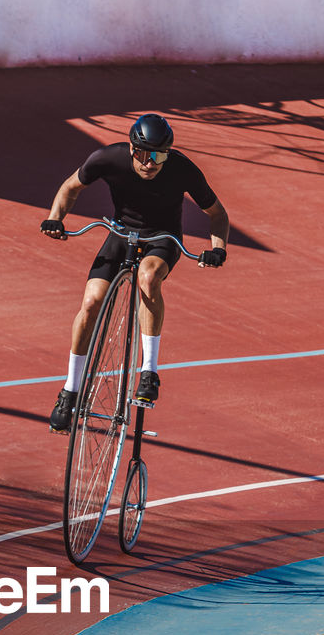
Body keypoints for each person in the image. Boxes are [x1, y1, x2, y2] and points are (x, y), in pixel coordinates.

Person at [40, 113, 230, 432]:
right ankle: (70, 390)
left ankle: (149, 372)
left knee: (148, 278)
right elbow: (71, 187)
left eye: (159, 155)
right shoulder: (107, 158)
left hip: (163, 239)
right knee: (90, 304)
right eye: (144, 154)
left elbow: (217, 214)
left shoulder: (182, 169)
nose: (150, 163)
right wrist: (55, 218)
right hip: (119, 233)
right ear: (131, 149)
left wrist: (218, 248)